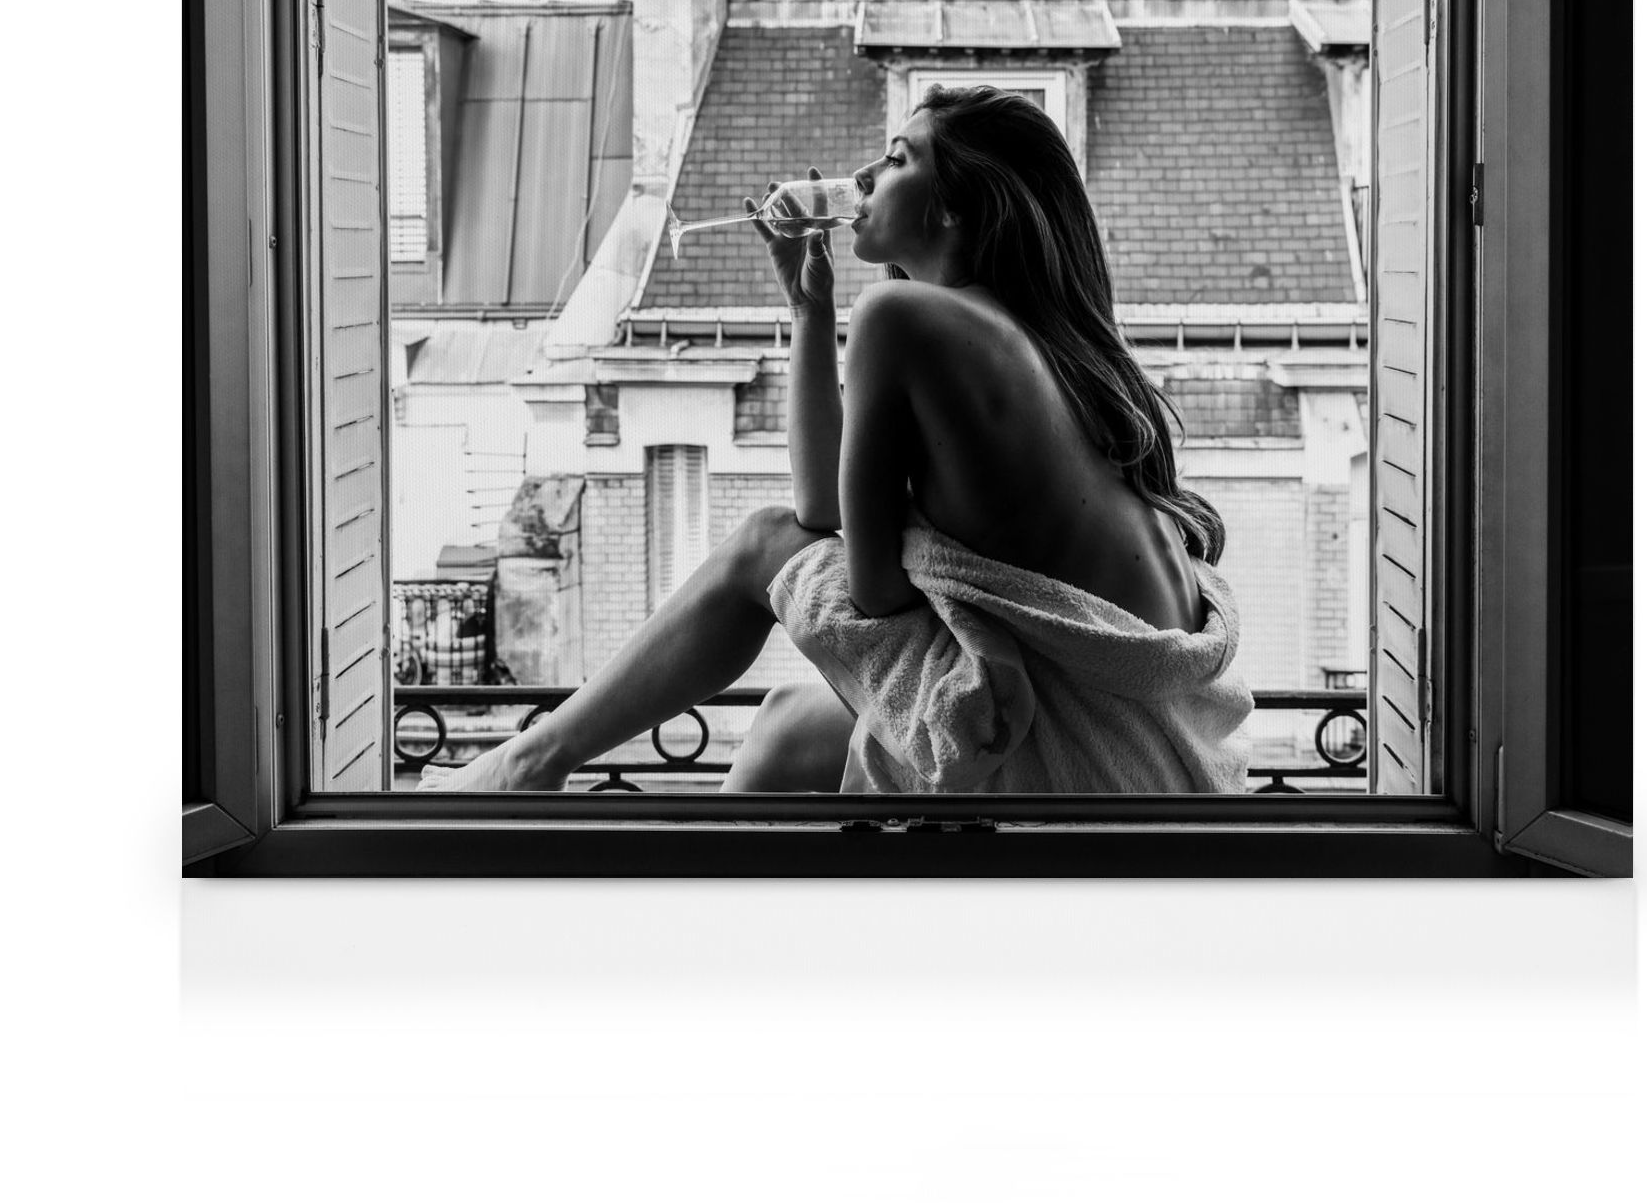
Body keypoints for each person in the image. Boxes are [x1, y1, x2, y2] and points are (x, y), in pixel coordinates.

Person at [422, 85, 1251, 794]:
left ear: (956, 204)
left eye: (896, 158)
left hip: (1077, 756)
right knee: (785, 725)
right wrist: (808, 307)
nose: (862, 178)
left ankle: (532, 761)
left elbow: (871, 588)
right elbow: (826, 507)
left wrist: (831, 563)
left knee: (761, 542)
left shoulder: (904, 314)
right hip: (1148, 757)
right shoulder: (1049, 349)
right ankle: (695, 900)